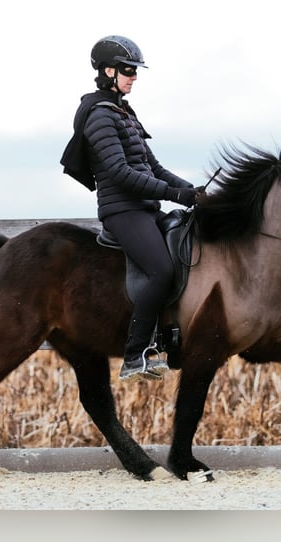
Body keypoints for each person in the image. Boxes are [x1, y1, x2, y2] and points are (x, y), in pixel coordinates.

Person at [60, 35, 199, 382]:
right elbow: (122, 174)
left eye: (135, 71)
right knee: (161, 270)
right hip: (123, 210)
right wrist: (173, 194)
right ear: (108, 71)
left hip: (146, 207)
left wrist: (191, 191)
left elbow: (153, 166)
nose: (133, 77)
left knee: (186, 252)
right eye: (127, 70)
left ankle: (168, 337)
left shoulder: (125, 113)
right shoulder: (99, 116)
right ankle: (135, 353)